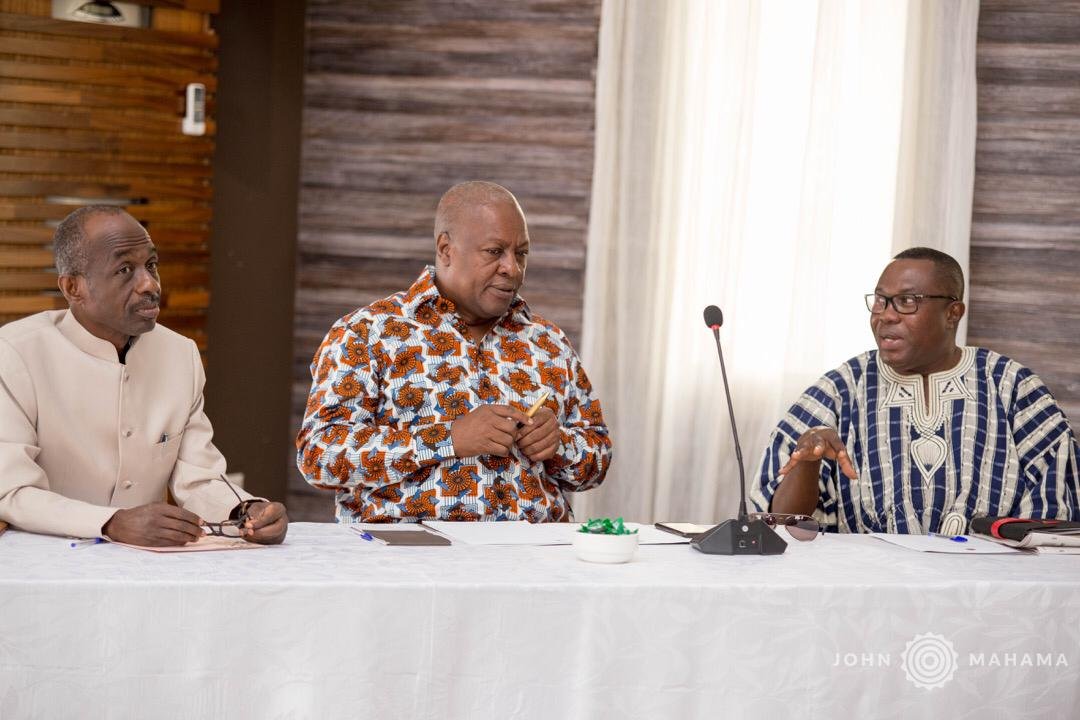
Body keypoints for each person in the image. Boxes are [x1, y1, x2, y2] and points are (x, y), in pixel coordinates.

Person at [297, 181, 612, 522]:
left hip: (538, 562)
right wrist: (447, 439)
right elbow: (319, 455)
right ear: (446, 249)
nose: (513, 268)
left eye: (521, 253)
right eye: (495, 252)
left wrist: (559, 445)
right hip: (408, 562)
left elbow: (596, 464)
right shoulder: (368, 333)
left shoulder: (548, 342)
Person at [0, 206, 288, 546]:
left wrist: (245, 510)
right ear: (73, 288)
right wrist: (110, 523)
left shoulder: (180, 355)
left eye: (151, 265)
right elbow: (12, 490)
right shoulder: (16, 353)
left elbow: (197, 476)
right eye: (124, 270)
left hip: (146, 566)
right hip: (44, 563)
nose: (150, 284)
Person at [751, 247, 1079, 535]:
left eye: (907, 301)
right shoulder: (840, 389)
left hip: (987, 585)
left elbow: (1056, 511)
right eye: (881, 300)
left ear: (953, 313)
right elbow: (778, 524)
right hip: (872, 583)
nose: (886, 315)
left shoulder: (1010, 386)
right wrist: (808, 463)